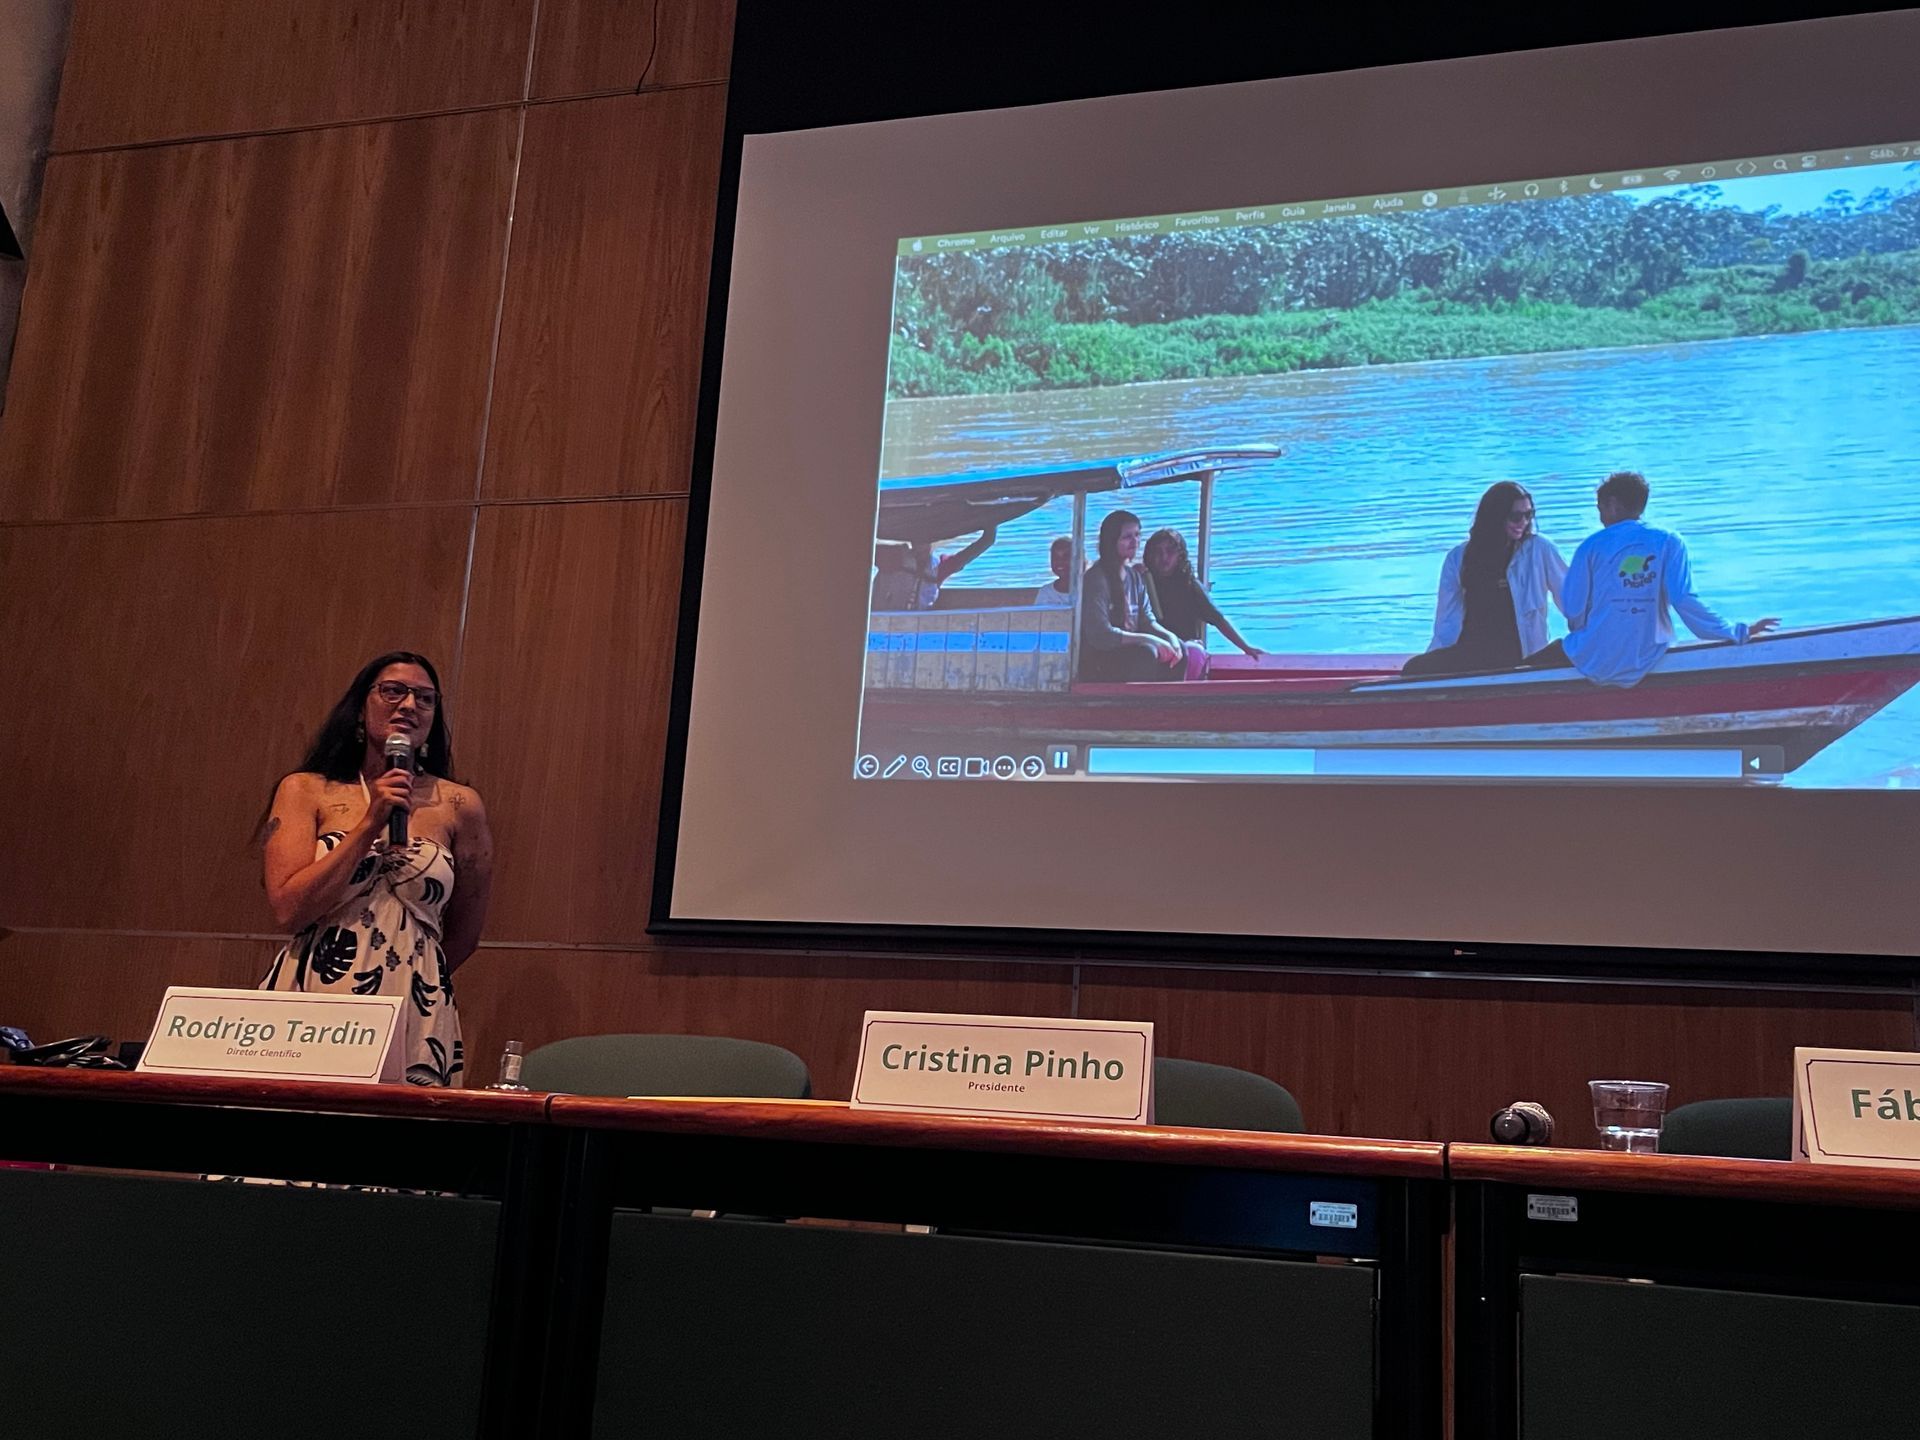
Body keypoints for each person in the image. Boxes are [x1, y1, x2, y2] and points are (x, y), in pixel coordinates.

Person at [260, 652, 493, 1087]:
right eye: (393, 691)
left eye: (425, 698)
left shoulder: (460, 805)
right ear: (360, 706)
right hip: (315, 1002)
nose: (409, 705)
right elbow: (288, 908)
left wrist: (411, 968)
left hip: (415, 1005)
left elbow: (466, 930)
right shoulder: (307, 790)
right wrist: (370, 824)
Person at [1534, 471, 1779, 685]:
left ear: (1613, 505)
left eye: (1600, 510)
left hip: (1592, 656)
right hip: (1649, 655)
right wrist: (1737, 631)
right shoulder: (1669, 541)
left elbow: (1574, 608)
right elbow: (1684, 600)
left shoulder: (1590, 546)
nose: (1601, 518)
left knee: (1532, 661)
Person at [1401, 482, 1568, 677]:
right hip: (1473, 656)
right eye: (1515, 517)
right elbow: (1446, 622)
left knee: (1567, 650)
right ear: (1496, 517)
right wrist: (1435, 662)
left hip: (1524, 658)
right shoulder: (1459, 558)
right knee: (1413, 668)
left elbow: (1571, 600)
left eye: (1528, 515)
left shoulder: (1540, 549)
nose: (1523, 522)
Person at [1079, 509, 1208, 681]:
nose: (1135, 542)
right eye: (1127, 537)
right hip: (1101, 658)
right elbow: (1101, 635)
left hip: (1128, 650)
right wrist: (1150, 640)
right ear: (1111, 540)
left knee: (1180, 649)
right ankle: (1132, 705)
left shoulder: (1134, 577)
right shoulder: (1096, 579)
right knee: (1147, 651)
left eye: (1137, 535)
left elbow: (1147, 621)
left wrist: (1170, 638)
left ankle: (1169, 702)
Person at [1142, 528, 1265, 658]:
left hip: (1186, 646)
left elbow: (1218, 619)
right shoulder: (1143, 582)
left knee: (1193, 651)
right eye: (1158, 552)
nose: (1164, 557)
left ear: (1180, 555)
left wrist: (1245, 647)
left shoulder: (1189, 584)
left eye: (1170, 551)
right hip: (1156, 647)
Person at [871, 526, 997, 611]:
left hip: (920, 621)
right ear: (912, 542)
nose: (921, 547)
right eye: (918, 542)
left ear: (930, 544)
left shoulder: (941, 567)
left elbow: (986, 541)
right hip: (884, 615)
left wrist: (992, 520)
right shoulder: (892, 557)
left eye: (925, 542)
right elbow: (862, 546)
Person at [1033, 535, 1075, 606]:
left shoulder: (1088, 590)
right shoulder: (1046, 592)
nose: (1060, 562)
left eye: (1066, 557)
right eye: (1055, 558)